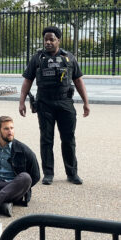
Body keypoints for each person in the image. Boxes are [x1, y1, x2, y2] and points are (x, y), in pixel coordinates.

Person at [19, 26, 90, 186]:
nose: (48, 42)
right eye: (46, 39)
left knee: (68, 139)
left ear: (59, 40)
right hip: (45, 104)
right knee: (46, 139)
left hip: (65, 103)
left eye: (52, 39)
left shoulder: (69, 58)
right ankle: (48, 174)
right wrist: (22, 101)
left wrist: (86, 102)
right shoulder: (37, 58)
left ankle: (72, 174)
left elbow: (78, 80)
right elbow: (27, 80)